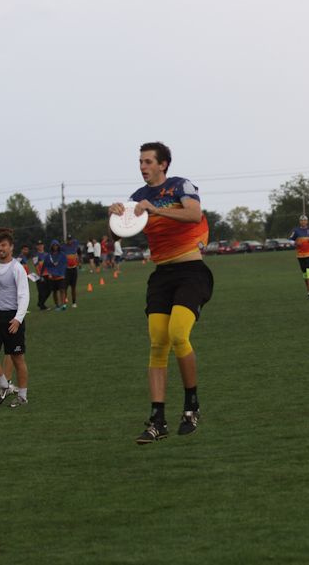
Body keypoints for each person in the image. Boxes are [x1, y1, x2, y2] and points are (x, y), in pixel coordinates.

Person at [109, 141, 212, 444]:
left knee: (178, 334)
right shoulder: (137, 198)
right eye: (140, 162)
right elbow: (118, 233)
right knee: (157, 343)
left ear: (163, 164)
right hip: (161, 276)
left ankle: (191, 407)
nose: (143, 166)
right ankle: (157, 420)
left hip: (191, 272)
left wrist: (156, 210)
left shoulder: (180, 185)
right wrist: (113, 216)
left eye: (148, 161)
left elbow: (194, 215)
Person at [0, 228, 30, 409]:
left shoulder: (17, 268)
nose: (0, 248)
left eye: (3, 245)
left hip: (12, 318)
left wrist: (18, 319)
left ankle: (22, 396)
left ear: (11, 247)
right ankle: (3, 384)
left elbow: (24, 295)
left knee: (17, 359)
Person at [288, 215, 309, 299]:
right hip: (300, 255)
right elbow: (290, 240)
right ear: (299, 222)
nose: (303, 222)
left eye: (305, 220)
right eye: (301, 220)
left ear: (307, 221)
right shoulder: (296, 231)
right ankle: (308, 291)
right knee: (305, 274)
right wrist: (295, 243)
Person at [43, 240, 68, 311]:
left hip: (60, 276)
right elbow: (46, 265)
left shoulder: (62, 255)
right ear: (51, 246)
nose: (55, 247)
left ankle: (63, 305)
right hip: (52, 277)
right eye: (54, 245)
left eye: (56, 245)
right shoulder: (48, 256)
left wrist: (63, 273)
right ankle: (57, 305)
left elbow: (64, 264)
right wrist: (49, 273)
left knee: (62, 290)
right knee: (54, 291)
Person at [62, 236, 81, 308]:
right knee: (65, 287)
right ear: (66, 240)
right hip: (66, 269)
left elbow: (79, 252)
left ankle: (74, 302)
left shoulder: (75, 245)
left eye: (70, 240)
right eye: (68, 240)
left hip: (74, 269)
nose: (69, 241)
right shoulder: (63, 247)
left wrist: (79, 261)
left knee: (73, 287)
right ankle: (64, 303)